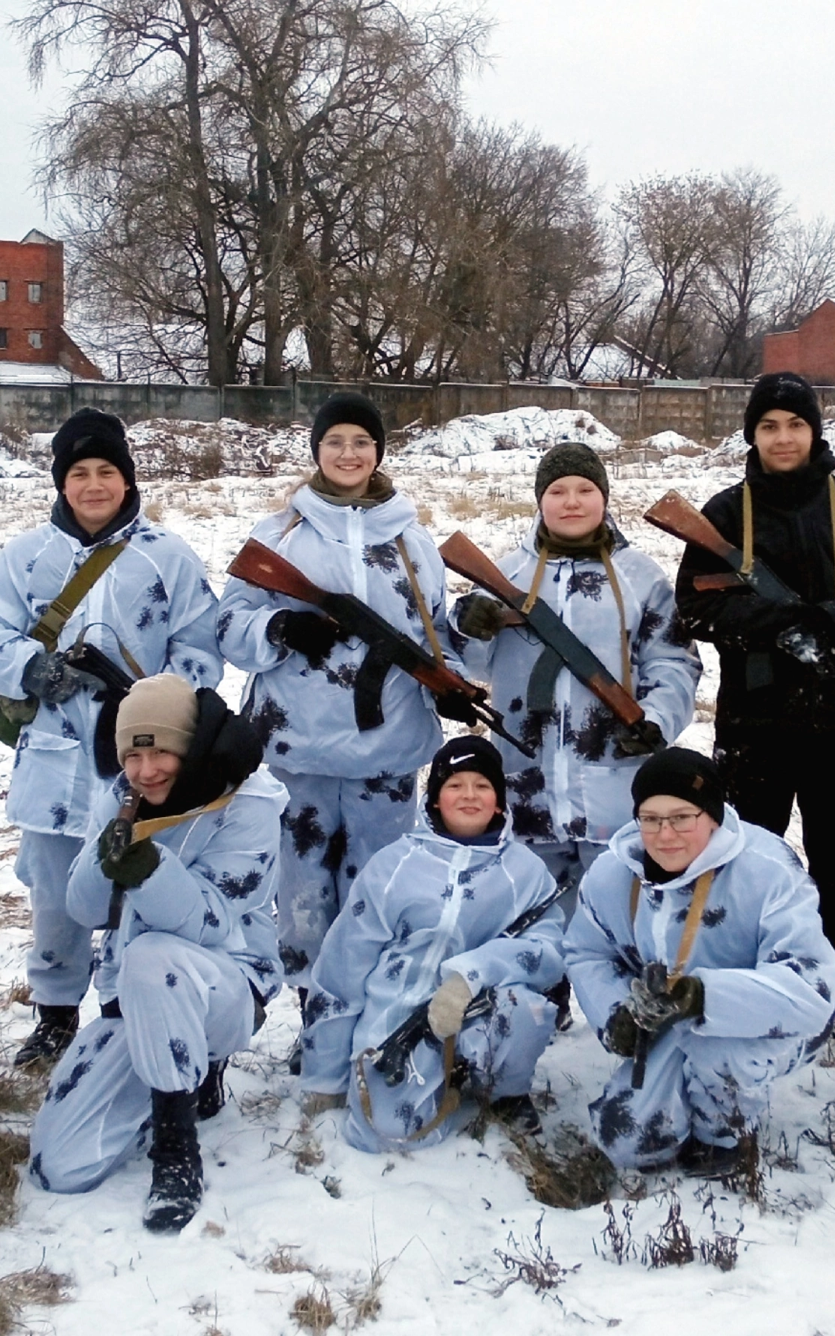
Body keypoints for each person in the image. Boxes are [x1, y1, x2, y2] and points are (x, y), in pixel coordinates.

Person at [0, 407, 221, 1069]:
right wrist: (28, 667)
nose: (94, 485)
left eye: (107, 472)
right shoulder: (27, 557)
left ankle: (125, 1006)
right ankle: (56, 1011)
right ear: (61, 484)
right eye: (79, 473)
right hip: (51, 759)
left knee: (130, 879)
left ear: (127, 481)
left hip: (138, 761)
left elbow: (202, 649)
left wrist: (157, 708)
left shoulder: (167, 557)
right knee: (52, 891)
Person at [673, 372, 835, 1053]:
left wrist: (833, 624)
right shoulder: (724, 514)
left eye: (795, 426)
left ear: (815, 433)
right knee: (749, 867)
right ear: (752, 435)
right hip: (755, 729)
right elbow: (694, 604)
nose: (783, 438)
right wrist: (779, 624)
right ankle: (745, 996)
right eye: (770, 426)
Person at [216, 391, 461, 1051]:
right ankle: (314, 1019)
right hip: (297, 749)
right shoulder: (279, 537)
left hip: (388, 749)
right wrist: (280, 625)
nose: (349, 454)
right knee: (302, 894)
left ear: (379, 451)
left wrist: (453, 687)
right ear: (316, 451)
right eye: (335, 442)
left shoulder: (412, 540)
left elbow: (434, 634)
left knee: (377, 887)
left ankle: (371, 1018)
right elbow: (228, 626)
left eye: (361, 442)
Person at [27, 674, 284, 1235]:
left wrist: (150, 870)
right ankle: (178, 1079)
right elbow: (84, 909)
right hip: (136, 997)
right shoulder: (120, 797)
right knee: (60, 1166)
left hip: (227, 989)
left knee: (151, 955)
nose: (146, 771)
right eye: (132, 755)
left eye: (161, 750)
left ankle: (176, 1150)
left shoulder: (249, 803)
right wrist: (107, 856)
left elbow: (214, 924)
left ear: (188, 746)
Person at [565, 748, 835, 1177]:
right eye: (651, 819)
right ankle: (684, 1095)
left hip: (781, 1016)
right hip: (672, 1016)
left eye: (682, 817)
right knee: (628, 1139)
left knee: (721, 1052)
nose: (665, 835)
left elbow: (810, 986)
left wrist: (704, 997)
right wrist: (616, 1015)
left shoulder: (767, 868)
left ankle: (727, 1136)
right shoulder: (613, 872)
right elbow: (587, 951)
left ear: (713, 816)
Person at [449, 442, 700, 919]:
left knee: (616, 932)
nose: (571, 502)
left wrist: (656, 720)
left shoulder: (641, 579)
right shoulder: (507, 574)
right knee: (534, 935)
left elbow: (674, 662)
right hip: (526, 792)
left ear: (604, 498)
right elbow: (471, 664)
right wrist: (470, 624)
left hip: (614, 795)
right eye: (557, 490)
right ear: (539, 500)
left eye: (585, 489)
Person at [297, 736, 564, 1149]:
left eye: (482, 785)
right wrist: (324, 1077)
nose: (469, 796)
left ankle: (503, 1094)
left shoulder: (525, 872)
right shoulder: (393, 864)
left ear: (499, 801)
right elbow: (342, 968)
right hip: (398, 1016)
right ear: (435, 798)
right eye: (455, 785)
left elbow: (548, 950)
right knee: (383, 1134)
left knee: (524, 1009)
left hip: (478, 1011)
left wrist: (470, 977)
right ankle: (443, 1091)